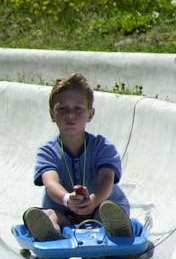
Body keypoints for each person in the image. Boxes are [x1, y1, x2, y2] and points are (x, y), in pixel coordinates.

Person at [22, 73, 132, 241]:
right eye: (62, 109)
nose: (70, 115)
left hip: (101, 206)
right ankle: (51, 231)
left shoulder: (103, 147)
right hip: (65, 211)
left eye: (78, 109)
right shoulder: (47, 151)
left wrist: (94, 201)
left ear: (90, 113)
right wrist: (67, 199)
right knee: (50, 214)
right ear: (52, 114)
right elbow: (51, 182)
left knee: (106, 212)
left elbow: (106, 179)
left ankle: (117, 229)